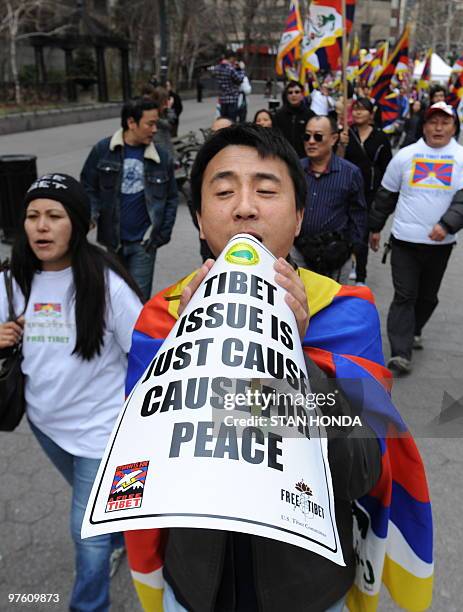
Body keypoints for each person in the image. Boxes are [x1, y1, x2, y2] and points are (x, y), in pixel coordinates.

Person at [124, 124, 384, 612]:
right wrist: (193, 344)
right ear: (200, 220)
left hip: (307, 590)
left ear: (299, 216)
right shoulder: (159, 319)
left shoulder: (348, 313)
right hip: (197, 586)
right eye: (223, 191)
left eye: (266, 190)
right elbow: (138, 469)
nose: (244, 207)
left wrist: (290, 352)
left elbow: (363, 471)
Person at [0, 174, 143, 611]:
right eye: (32, 216)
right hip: (45, 424)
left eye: (54, 216)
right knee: (99, 511)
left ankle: (88, 606)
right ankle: (121, 530)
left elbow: (146, 352)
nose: (41, 226)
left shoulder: (106, 283)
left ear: (77, 225)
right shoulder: (11, 280)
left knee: (86, 531)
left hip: (102, 431)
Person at [369, 101, 463, 374]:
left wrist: (446, 225)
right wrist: (375, 227)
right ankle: (400, 352)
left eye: (445, 122)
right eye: (433, 122)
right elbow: (386, 195)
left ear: (454, 127)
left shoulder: (460, 157)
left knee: (428, 297)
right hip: (404, 241)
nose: (438, 127)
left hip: (440, 244)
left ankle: (414, 328)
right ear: (423, 126)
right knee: (405, 295)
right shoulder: (406, 156)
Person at [81, 97, 179, 301]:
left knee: (137, 301)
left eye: (156, 123)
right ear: (131, 123)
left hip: (144, 243)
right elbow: (88, 186)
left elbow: (171, 198)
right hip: (112, 241)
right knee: (111, 298)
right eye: (150, 123)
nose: (154, 129)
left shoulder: (161, 157)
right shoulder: (103, 150)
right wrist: (91, 214)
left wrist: (162, 234)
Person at [292, 114, 367, 283]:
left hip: (336, 256)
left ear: (333, 139)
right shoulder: (295, 169)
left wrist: (353, 248)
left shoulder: (350, 173)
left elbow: (358, 214)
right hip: (299, 252)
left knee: (333, 306)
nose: (311, 141)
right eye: (307, 136)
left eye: (318, 136)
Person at [339, 98, 392, 285]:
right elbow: (338, 161)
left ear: (371, 113)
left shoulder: (380, 137)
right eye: (356, 110)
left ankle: (361, 274)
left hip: (370, 193)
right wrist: (341, 145)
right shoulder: (347, 133)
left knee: (362, 233)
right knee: (346, 230)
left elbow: (387, 167)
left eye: (363, 110)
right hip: (348, 190)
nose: (358, 113)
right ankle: (348, 264)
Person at [273, 80, 315, 158]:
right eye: (290, 92)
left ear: (302, 95)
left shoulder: (310, 115)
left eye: (297, 92)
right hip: (284, 157)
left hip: (304, 158)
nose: (293, 95)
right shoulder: (278, 115)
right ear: (287, 96)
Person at [211, 50, 244, 121]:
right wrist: (240, 69)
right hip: (232, 99)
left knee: (223, 121)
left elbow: (213, 76)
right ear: (231, 58)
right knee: (231, 122)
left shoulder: (217, 68)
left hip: (222, 99)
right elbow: (240, 79)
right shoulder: (231, 69)